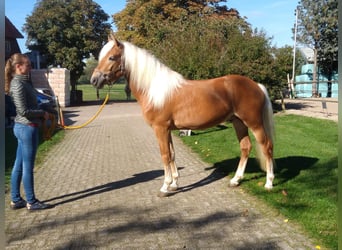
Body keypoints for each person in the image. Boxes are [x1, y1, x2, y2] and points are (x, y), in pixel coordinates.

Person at [5, 53, 54, 211]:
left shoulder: (24, 82)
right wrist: (42, 114)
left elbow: (29, 105)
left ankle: (16, 199)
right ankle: (32, 202)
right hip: (27, 128)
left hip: (23, 127)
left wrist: (43, 108)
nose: (31, 67)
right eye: (28, 64)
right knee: (27, 167)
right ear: (18, 67)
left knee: (18, 166)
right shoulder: (18, 84)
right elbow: (24, 110)